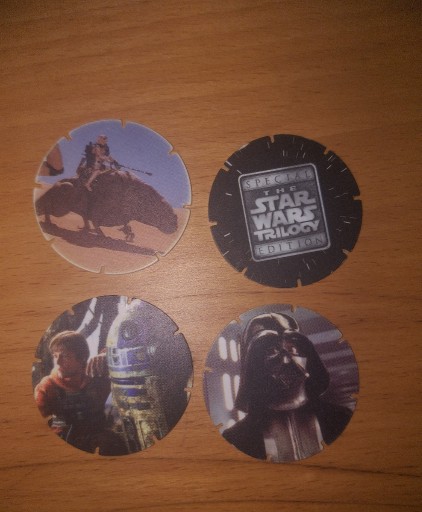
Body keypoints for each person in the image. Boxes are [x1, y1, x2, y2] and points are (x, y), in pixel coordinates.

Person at [222, 313, 352, 462]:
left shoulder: (340, 419)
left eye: (293, 348)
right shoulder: (236, 438)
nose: (286, 360)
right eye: (271, 351)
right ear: (255, 366)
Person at [34, 330, 127, 455]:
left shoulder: (95, 379)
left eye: (65, 356)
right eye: (55, 356)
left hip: (98, 440)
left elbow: (124, 353)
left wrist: (106, 355)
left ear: (82, 359)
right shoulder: (47, 386)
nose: (58, 362)